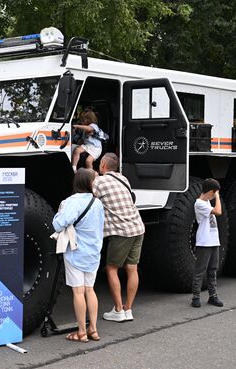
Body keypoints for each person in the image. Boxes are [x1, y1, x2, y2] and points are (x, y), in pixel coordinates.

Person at [53, 168, 104, 342]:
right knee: (90, 290)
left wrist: (59, 213)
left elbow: (59, 224)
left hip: (76, 252)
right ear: (89, 183)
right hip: (93, 252)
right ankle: (94, 330)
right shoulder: (97, 203)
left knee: (78, 292)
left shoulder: (72, 202)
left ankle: (81, 332)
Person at [92, 153, 145, 322]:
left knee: (111, 268)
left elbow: (89, 199)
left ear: (102, 165)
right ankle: (128, 309)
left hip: (121, 231)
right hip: (138, 227)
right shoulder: (124, 179)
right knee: (132, 269)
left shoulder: (99, 181)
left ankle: (118, 310)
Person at [191, 178, 224, 308]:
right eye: (215, 192)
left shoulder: (207, 202)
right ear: (211, 192)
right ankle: (196, 297)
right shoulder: (199, 204)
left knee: (213, 269)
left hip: (213, 241)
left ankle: (213, 296)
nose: (215, 194)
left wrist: (214, 195)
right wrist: (218, 197)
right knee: (200, 270)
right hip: (204, 242)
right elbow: (218, 211)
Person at [71, 108, 105, 172]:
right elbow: (83, 140)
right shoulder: (84, 130)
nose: (82, 122)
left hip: (96, 148)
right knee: (77, 150)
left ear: (90, 120)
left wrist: (77, 126)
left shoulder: (93, 126)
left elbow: (89, 129)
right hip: (88, 146)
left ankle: (91, 174)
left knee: (88, 161)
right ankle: (74, 168)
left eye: (83, 120)